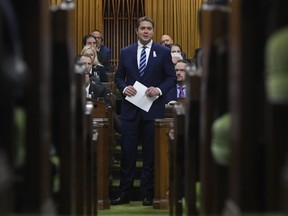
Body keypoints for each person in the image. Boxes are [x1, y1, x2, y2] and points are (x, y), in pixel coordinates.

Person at [113, 16, 176, 206]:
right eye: (142, 28)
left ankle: (148, 193)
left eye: (149, 28)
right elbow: (118, 77)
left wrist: (159, 90)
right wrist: (124, 88)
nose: (146, 31)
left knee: (150, 154)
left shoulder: (163, 52)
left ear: (153, 31)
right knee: (128, 153)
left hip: (152, 108)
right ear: (136, 31)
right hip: (131, 110)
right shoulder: (126, 52)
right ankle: (125, 192)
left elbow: (171, 77)